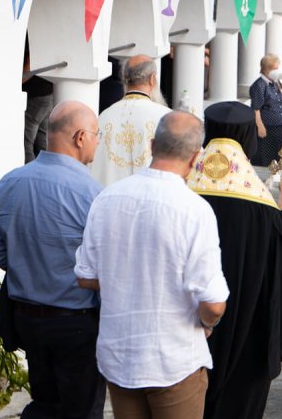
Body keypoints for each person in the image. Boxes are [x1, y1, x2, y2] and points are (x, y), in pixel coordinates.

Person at [75, 111, 229, 418]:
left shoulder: (107, 198)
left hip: (120, 353)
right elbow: (213, 303)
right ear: (196, 157)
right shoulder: (195, 210)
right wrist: (207, 325)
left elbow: (85, 276)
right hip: (173, 357)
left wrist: (125, 278)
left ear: (152, 144)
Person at [0, 101, 105, 418]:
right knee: (81, 410)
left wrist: (31, 267)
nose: (97, 142)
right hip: (76, 322)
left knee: (45, 403)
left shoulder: (11, 182)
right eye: (96, 134)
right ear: (80, 137)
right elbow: (105, 266)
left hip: (28, 319)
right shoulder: (90, 193)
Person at [186, 102, 282, 419]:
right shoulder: (263, 207)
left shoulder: (183, 191)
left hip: (187, 337)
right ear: (249, 138)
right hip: (246, 343)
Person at [90, 54, 171, 186]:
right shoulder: (167, 118)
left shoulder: (104, 117)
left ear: (125, 80)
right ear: (152, 79)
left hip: (110, 202)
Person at [250, 54, 282, 166]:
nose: (277, 71)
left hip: (277, 125)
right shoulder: (259, 85)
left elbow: (278, 97)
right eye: (275, 69)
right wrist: (260, 126)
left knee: (278, 158)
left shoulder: (275, 82)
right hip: (266, 128)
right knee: (265, 159)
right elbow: (256, 108)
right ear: (267, 69)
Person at [22, 34, 55, 163]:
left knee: (26, 142)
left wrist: (18, 80)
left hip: (36, 97)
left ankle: (30, 172)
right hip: (47, 93)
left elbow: (30, 65)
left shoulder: (33, 36)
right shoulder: (44, 35)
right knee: (43, 139)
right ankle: (46, 170)